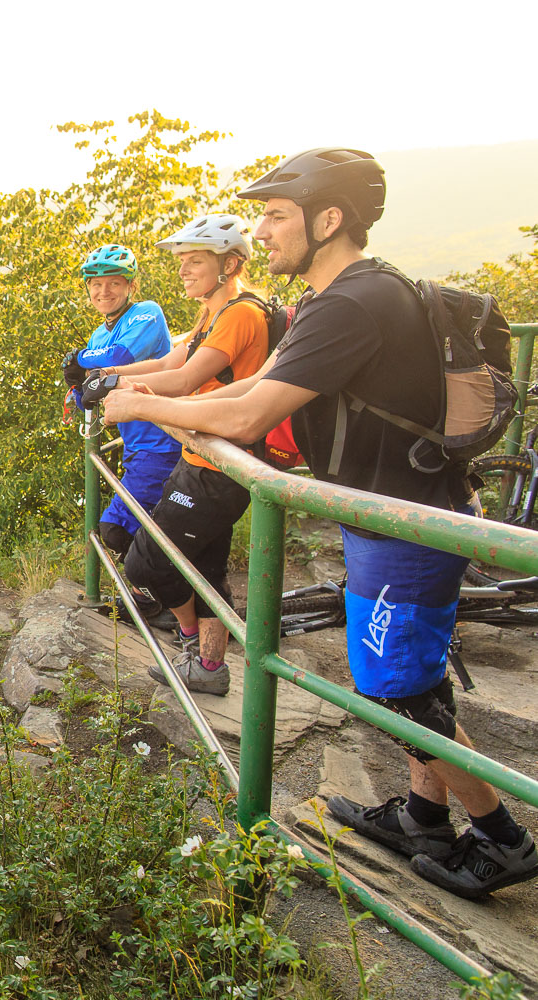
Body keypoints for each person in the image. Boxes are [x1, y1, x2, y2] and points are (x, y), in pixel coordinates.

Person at [100, 148, 536, 898]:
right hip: (384, 517)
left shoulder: (353, 303)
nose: (261, 231)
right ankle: (424, 819)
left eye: (275, 215)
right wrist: (164, 401)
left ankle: (502, 835)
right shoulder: (338, 298)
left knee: (396, 687)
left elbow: (246, 412)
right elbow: (253, 392)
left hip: (405, 526)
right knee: (411, 675)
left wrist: (139, 404)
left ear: (328, 219)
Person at [95, 214, 270, 695]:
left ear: (231, 263)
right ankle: (211, 669)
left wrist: (118, 387)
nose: (184, 271)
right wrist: (112, 374)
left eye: (195, 261)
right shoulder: (212, 313)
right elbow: (173, 362)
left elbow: (189, 380)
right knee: (207, 569)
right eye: (182, 262)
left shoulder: (241, 314)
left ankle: (191, 643)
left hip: (219, 465)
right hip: (200, 457)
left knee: (145, 564)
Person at [63, 244, 180, 615]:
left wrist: (78, 360)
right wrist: (78, 389)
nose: (103, 292)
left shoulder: (146, 314)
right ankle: (158, 598)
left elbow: (118, 360)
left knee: (116, 529)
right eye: (95, 285)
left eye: (113, 283)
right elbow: (88, 396)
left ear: (130, 285)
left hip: (163, 441)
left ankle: (159, 601)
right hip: (137, 447)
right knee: (145, 528)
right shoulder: (100, 334)